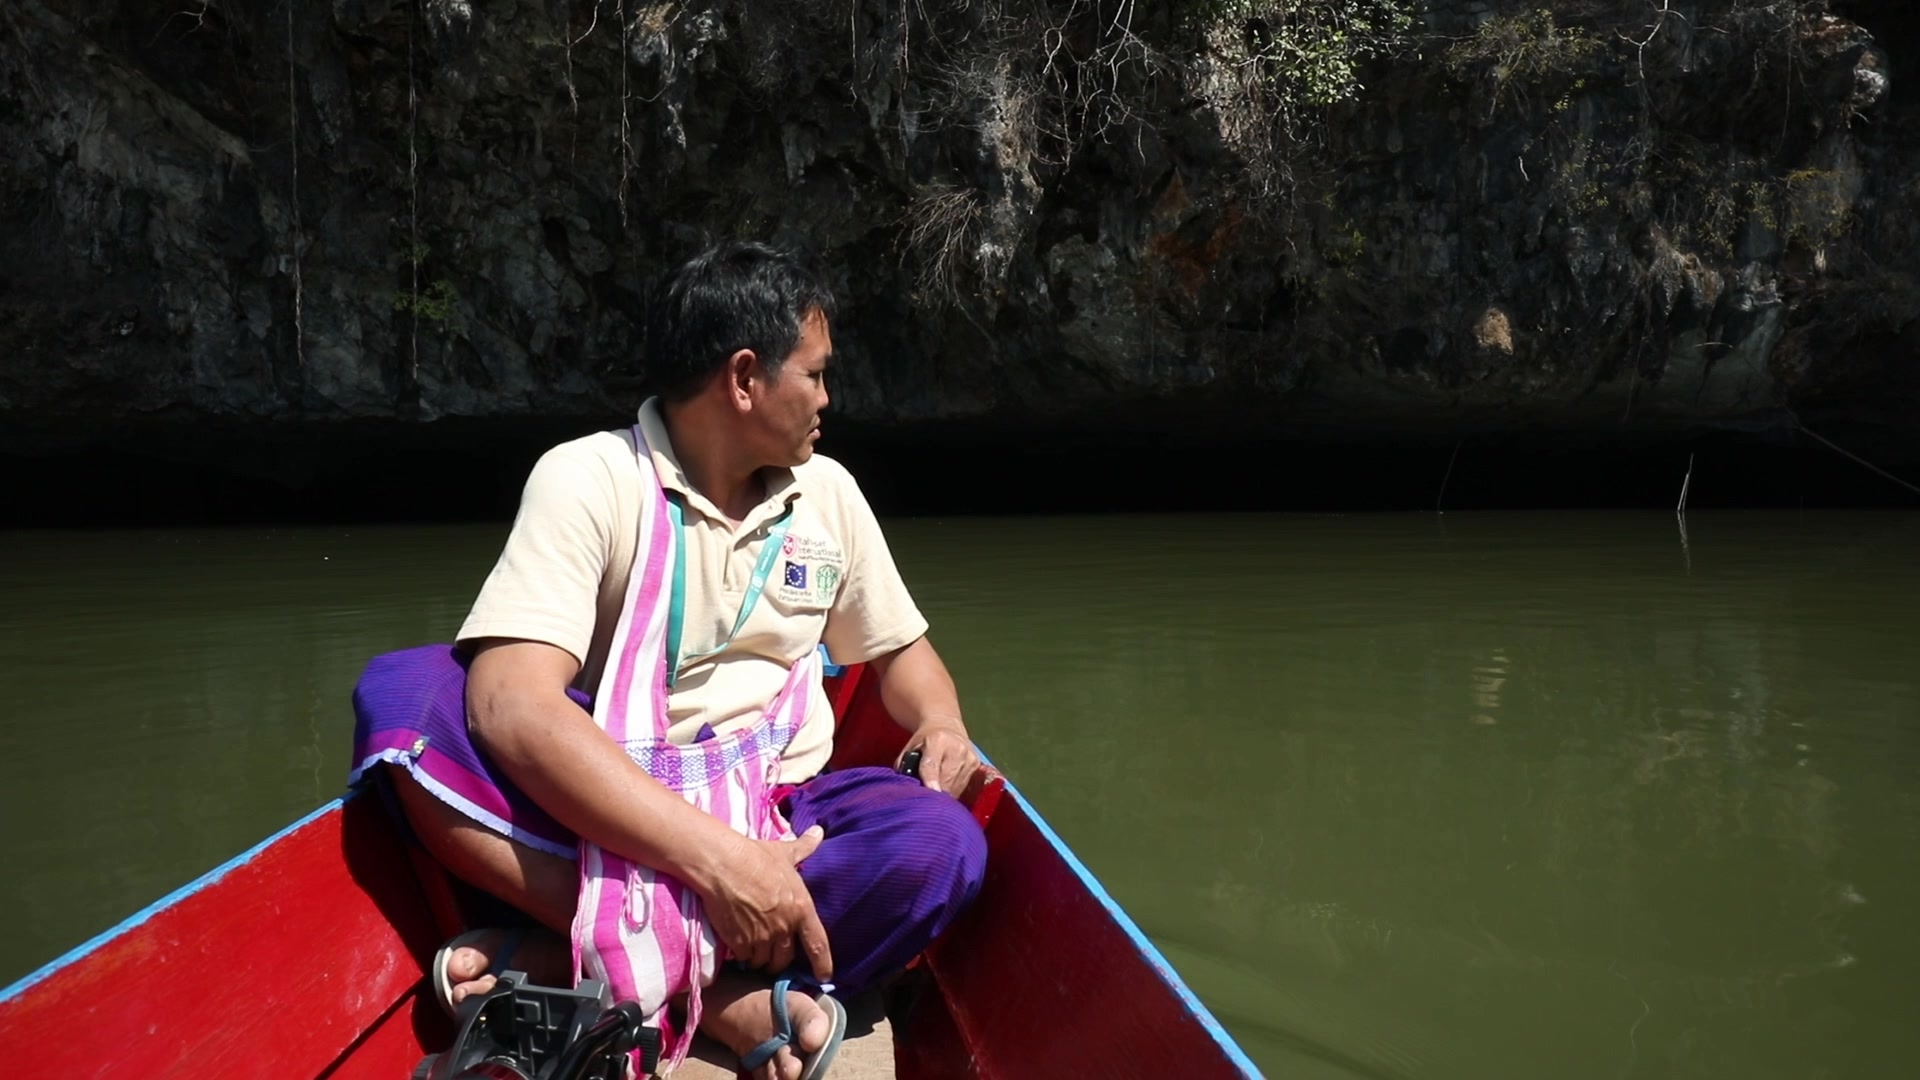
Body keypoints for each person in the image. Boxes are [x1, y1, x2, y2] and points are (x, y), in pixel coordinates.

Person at [348, 241, 988, 1080]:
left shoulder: (826, 493)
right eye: (815, 374)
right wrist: (719, 866)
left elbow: (903, 654)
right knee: (411, 701)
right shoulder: (588, 479)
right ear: (746, 378)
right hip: (610, 811)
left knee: (941, 848)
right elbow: (511, 704)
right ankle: (725, 999)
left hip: (781, 814)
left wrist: (940, 721)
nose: (829, 399)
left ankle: (565, 952)